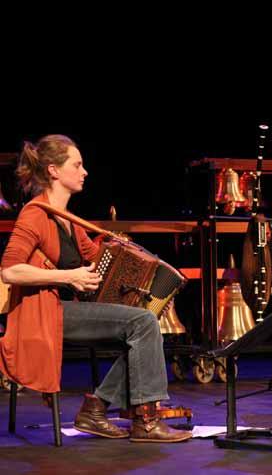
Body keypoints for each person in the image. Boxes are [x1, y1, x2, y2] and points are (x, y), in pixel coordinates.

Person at [0, 134, 191, 442]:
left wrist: (143, 285)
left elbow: (98, 260)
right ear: (53, 171)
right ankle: (144, 421)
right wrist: (68, 277)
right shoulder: (34, 215)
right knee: (142, 324)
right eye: (77, 165)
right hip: (44, 313)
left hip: (67, 310)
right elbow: (9, 271)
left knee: (143, 320)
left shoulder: (70, 221)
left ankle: (97, 408)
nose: (84, 171)